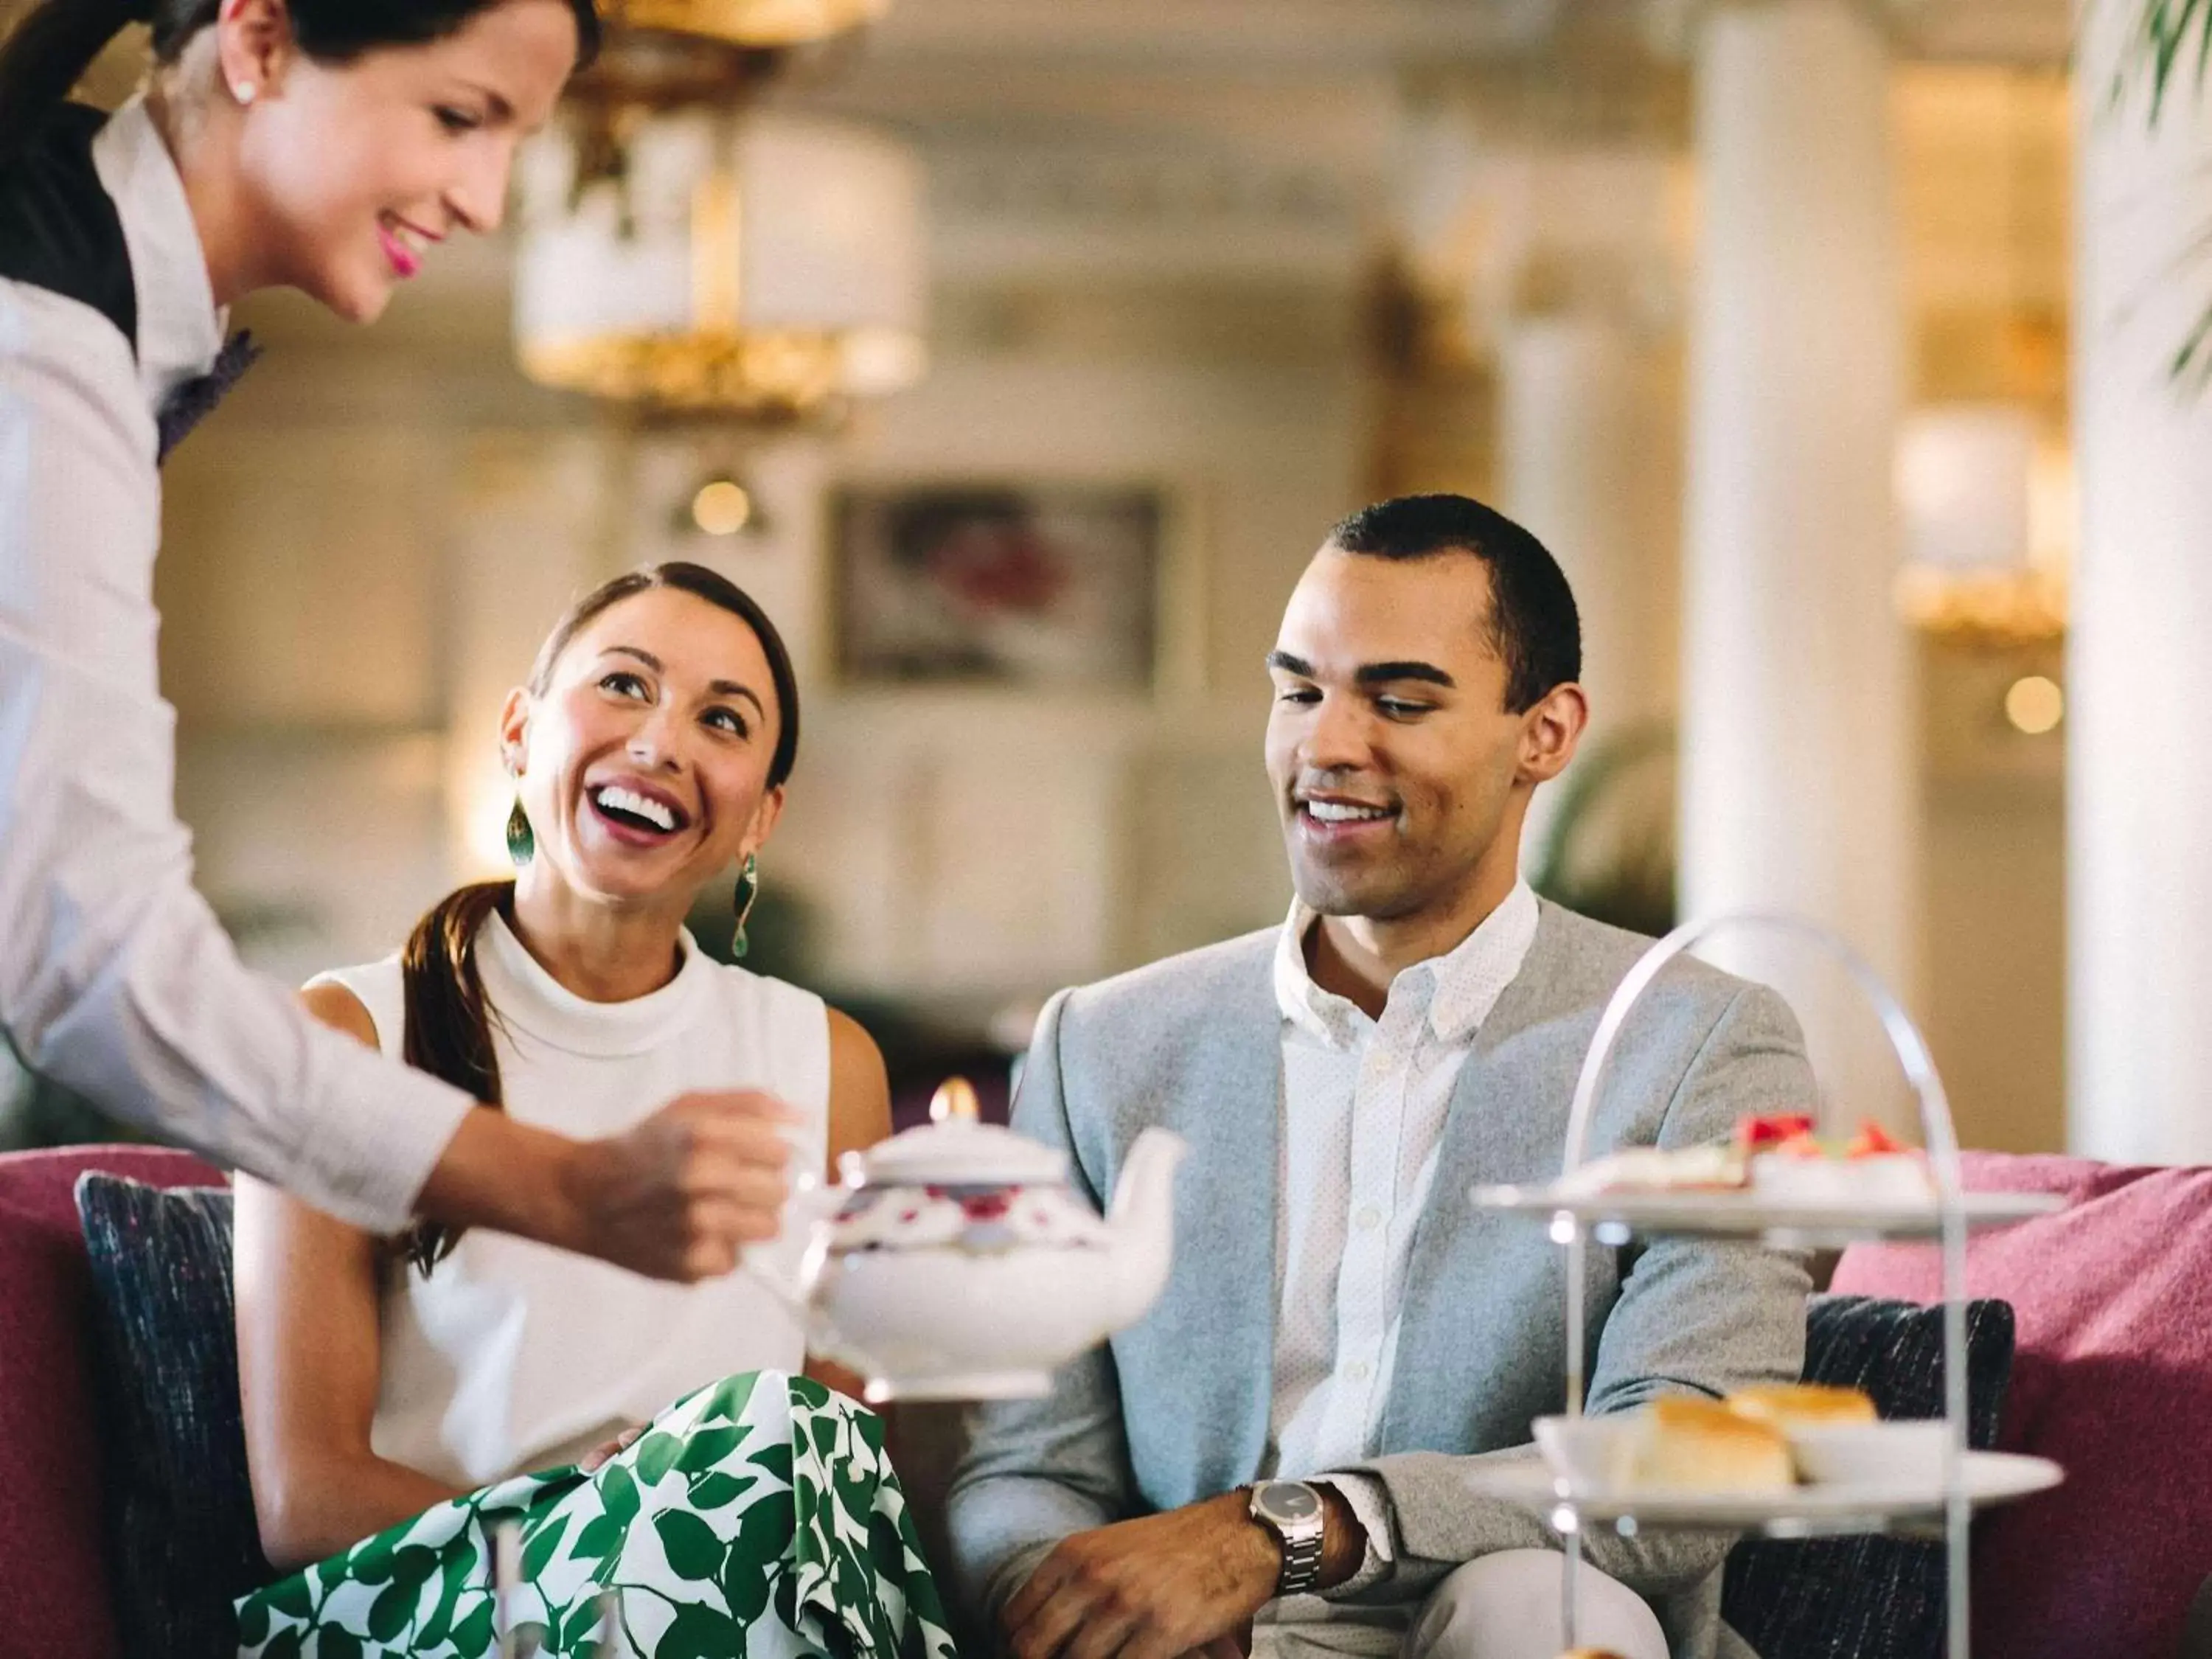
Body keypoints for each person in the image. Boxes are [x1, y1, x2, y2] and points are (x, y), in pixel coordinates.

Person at [945, 494, 1816, 1659]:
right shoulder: (1099, 1044)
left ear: (1545, 733)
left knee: (1534, 1606)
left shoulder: (1700, 1044)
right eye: (1300, 690)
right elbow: (1026, 1465)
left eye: (1399, 701)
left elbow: (1687, 1456)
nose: (1327, 745)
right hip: (1185, 1646)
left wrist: (1287, 1532)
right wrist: (1075, 1601)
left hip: (1514, 1633)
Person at [0, 0, 791, 1280]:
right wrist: (568, 1186)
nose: (484, 200)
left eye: (514, 141)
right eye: (457, 117)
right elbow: (90, 958)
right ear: (258, 40)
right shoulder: (39, 350)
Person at [232, 563, 955, 1659]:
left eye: (721, 718)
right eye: (624, 684)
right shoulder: (346, 1036)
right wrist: (599, 1523)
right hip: (446, 1602)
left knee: (797, 1436)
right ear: (520, 731)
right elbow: (305, 1494)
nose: (661, 742)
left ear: (761, 815)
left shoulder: (828, 1061)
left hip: (752, 1615)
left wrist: (690, 1506)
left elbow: (848, 1465)